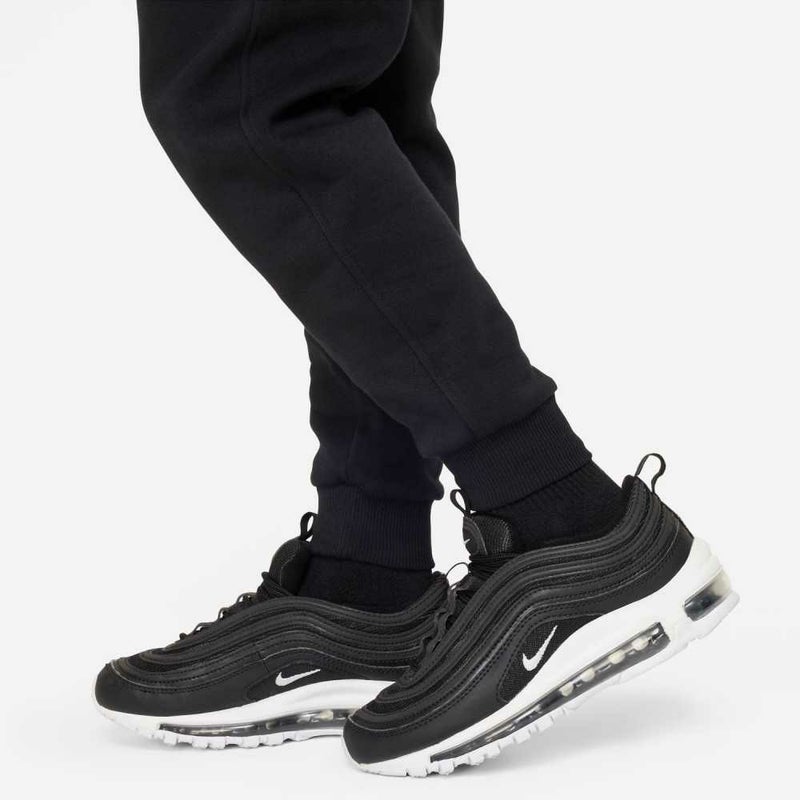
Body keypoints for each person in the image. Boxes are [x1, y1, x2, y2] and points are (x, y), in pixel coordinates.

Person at [94, 1, 737, 774]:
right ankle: (369, 573)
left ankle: (562, 515)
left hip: (562, 512)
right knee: (352, 90)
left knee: (248, 89)